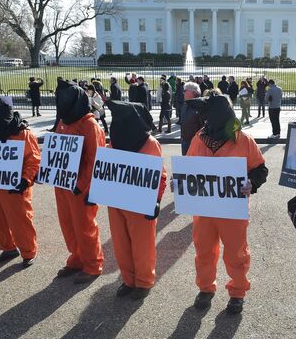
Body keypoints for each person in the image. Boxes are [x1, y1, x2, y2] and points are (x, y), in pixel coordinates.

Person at [182, 94, 268, 315]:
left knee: (236, 253)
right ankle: (205, 288)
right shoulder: (198, 139)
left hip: (232, 211)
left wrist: (252, 182)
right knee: (204, 251)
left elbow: (260, 169)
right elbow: (189, 169)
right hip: (204, 211)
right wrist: (180, 184)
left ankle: (237, 293)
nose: (203, 119)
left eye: (207, 115)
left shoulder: (243, 140)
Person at [103, 100, 167, 300]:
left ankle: (144, 281)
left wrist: (156, 199)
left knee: (142, 245)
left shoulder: (150, 144)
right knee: (121, 244)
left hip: (141, 203)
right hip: (116, 201)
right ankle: (129, 280)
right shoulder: (114, 142)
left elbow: (160, 175)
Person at [53, 78, 106, 284]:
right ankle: (77, 258)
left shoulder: (89, 125)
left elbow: (95, 161)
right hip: (63, 184)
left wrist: (83, 186)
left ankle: (93, 264)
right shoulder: (63, 122)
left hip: (80, 188)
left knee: (85, 227)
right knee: (68, 225)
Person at [0, 103, 41, 267]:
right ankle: (8, 248)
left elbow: (34, 161)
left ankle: (29, 252)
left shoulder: (24, 134)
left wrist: (25, 180)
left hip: (16, 186)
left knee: (20, 220)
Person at [180, 82, 205, 155]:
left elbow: (203, 126)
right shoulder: (185, 105)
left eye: (185, 91)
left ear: (194, 92)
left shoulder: (200, 106)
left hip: (196, 143)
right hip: (185, 141)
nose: (183, 93)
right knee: (185, 164)